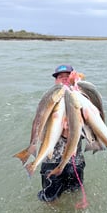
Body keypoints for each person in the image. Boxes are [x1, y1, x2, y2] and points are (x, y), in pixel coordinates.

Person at [37, 65, 86, 202]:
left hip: (75, 162)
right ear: (55, 81)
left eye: (67, 76)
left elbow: (87, 129)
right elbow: (40, 130)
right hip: (51, 161)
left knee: (74, 196)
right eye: (60, 77)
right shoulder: (48, 102)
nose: (64, 79)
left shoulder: (81, 98)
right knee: (50, 201)